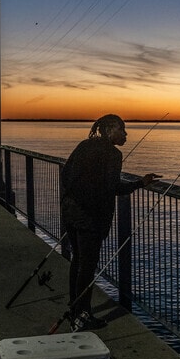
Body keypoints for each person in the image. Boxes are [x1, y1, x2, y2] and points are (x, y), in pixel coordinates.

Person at [60, 114, 160, 331]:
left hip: (71, 212)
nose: (125, 134)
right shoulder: (113, 154)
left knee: (77, 262)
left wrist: (72, 198)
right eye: (121, 129)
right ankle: (82, 316)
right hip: (91, 218)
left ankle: (75, 308)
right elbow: (113, 187)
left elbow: (66, 174)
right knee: (87, 267)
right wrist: (140, 183)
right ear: (108, 130)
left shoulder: (84, 145)